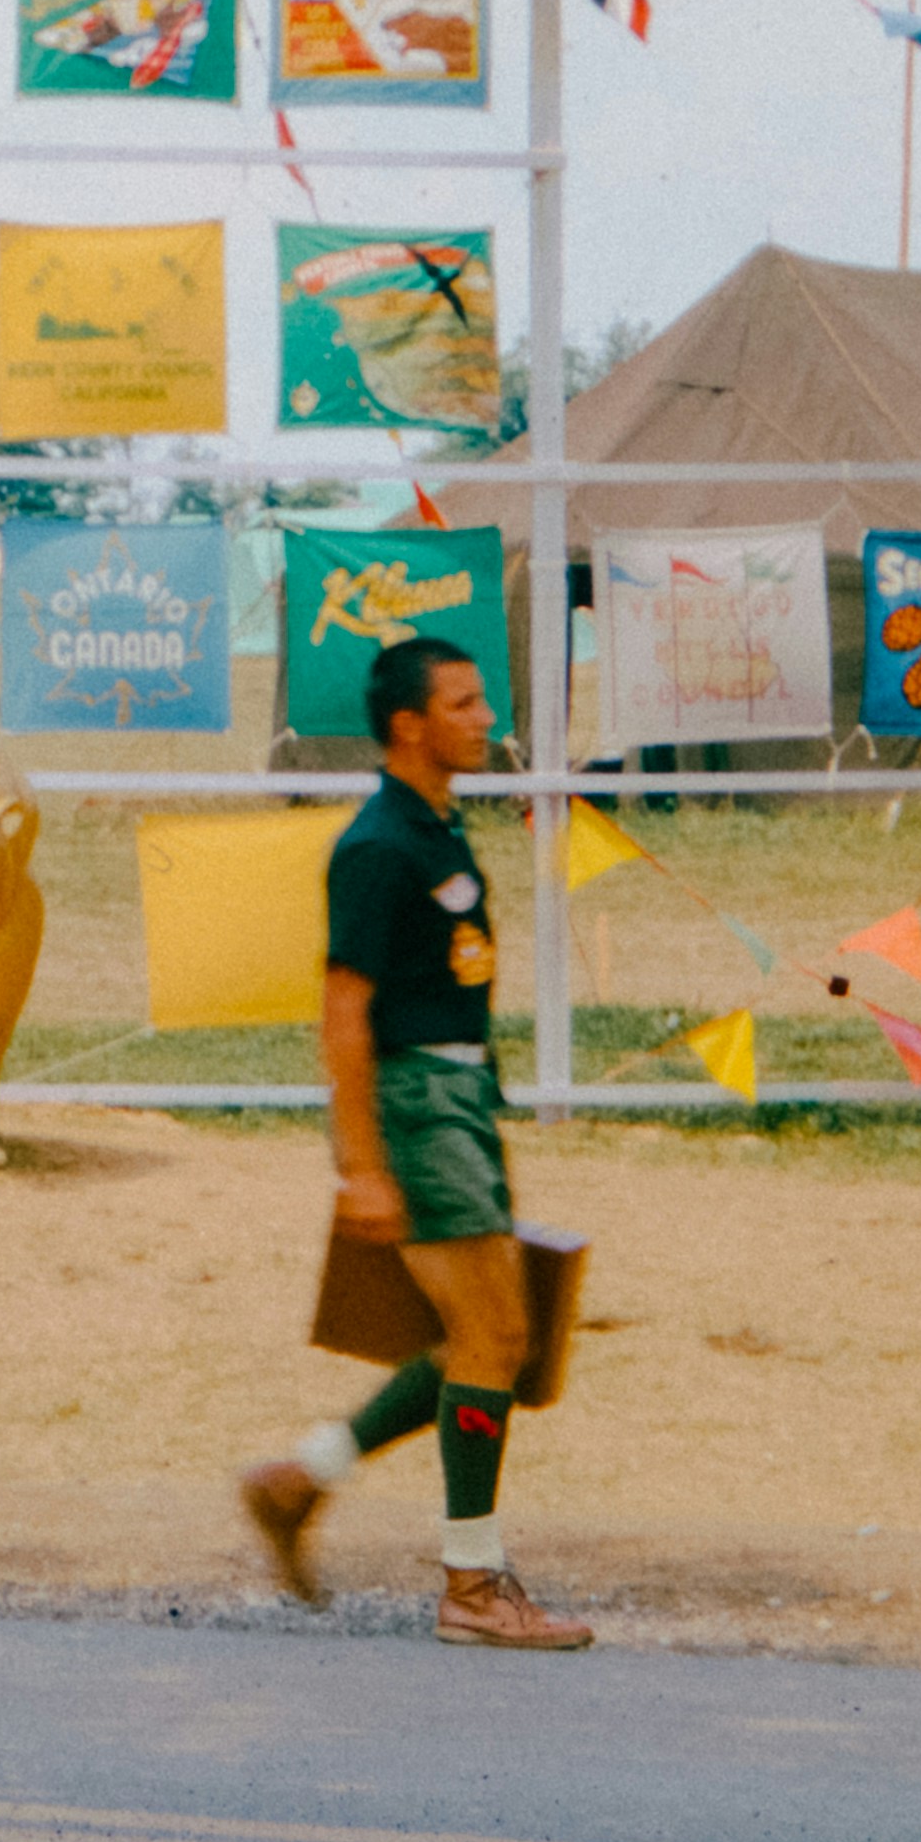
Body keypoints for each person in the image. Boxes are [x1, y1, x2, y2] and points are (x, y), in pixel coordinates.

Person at [231, 633, 593, 1651]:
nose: (487, 719)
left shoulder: (436, 826)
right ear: (408, 723)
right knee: (493, 1339)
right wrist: (362, 1163)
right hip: (416, 1100)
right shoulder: (378, 843)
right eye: (465, 703)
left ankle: (299, 1478)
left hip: (459, 1092)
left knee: (483, 1336)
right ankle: (471, 1586)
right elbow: (343, 1011)